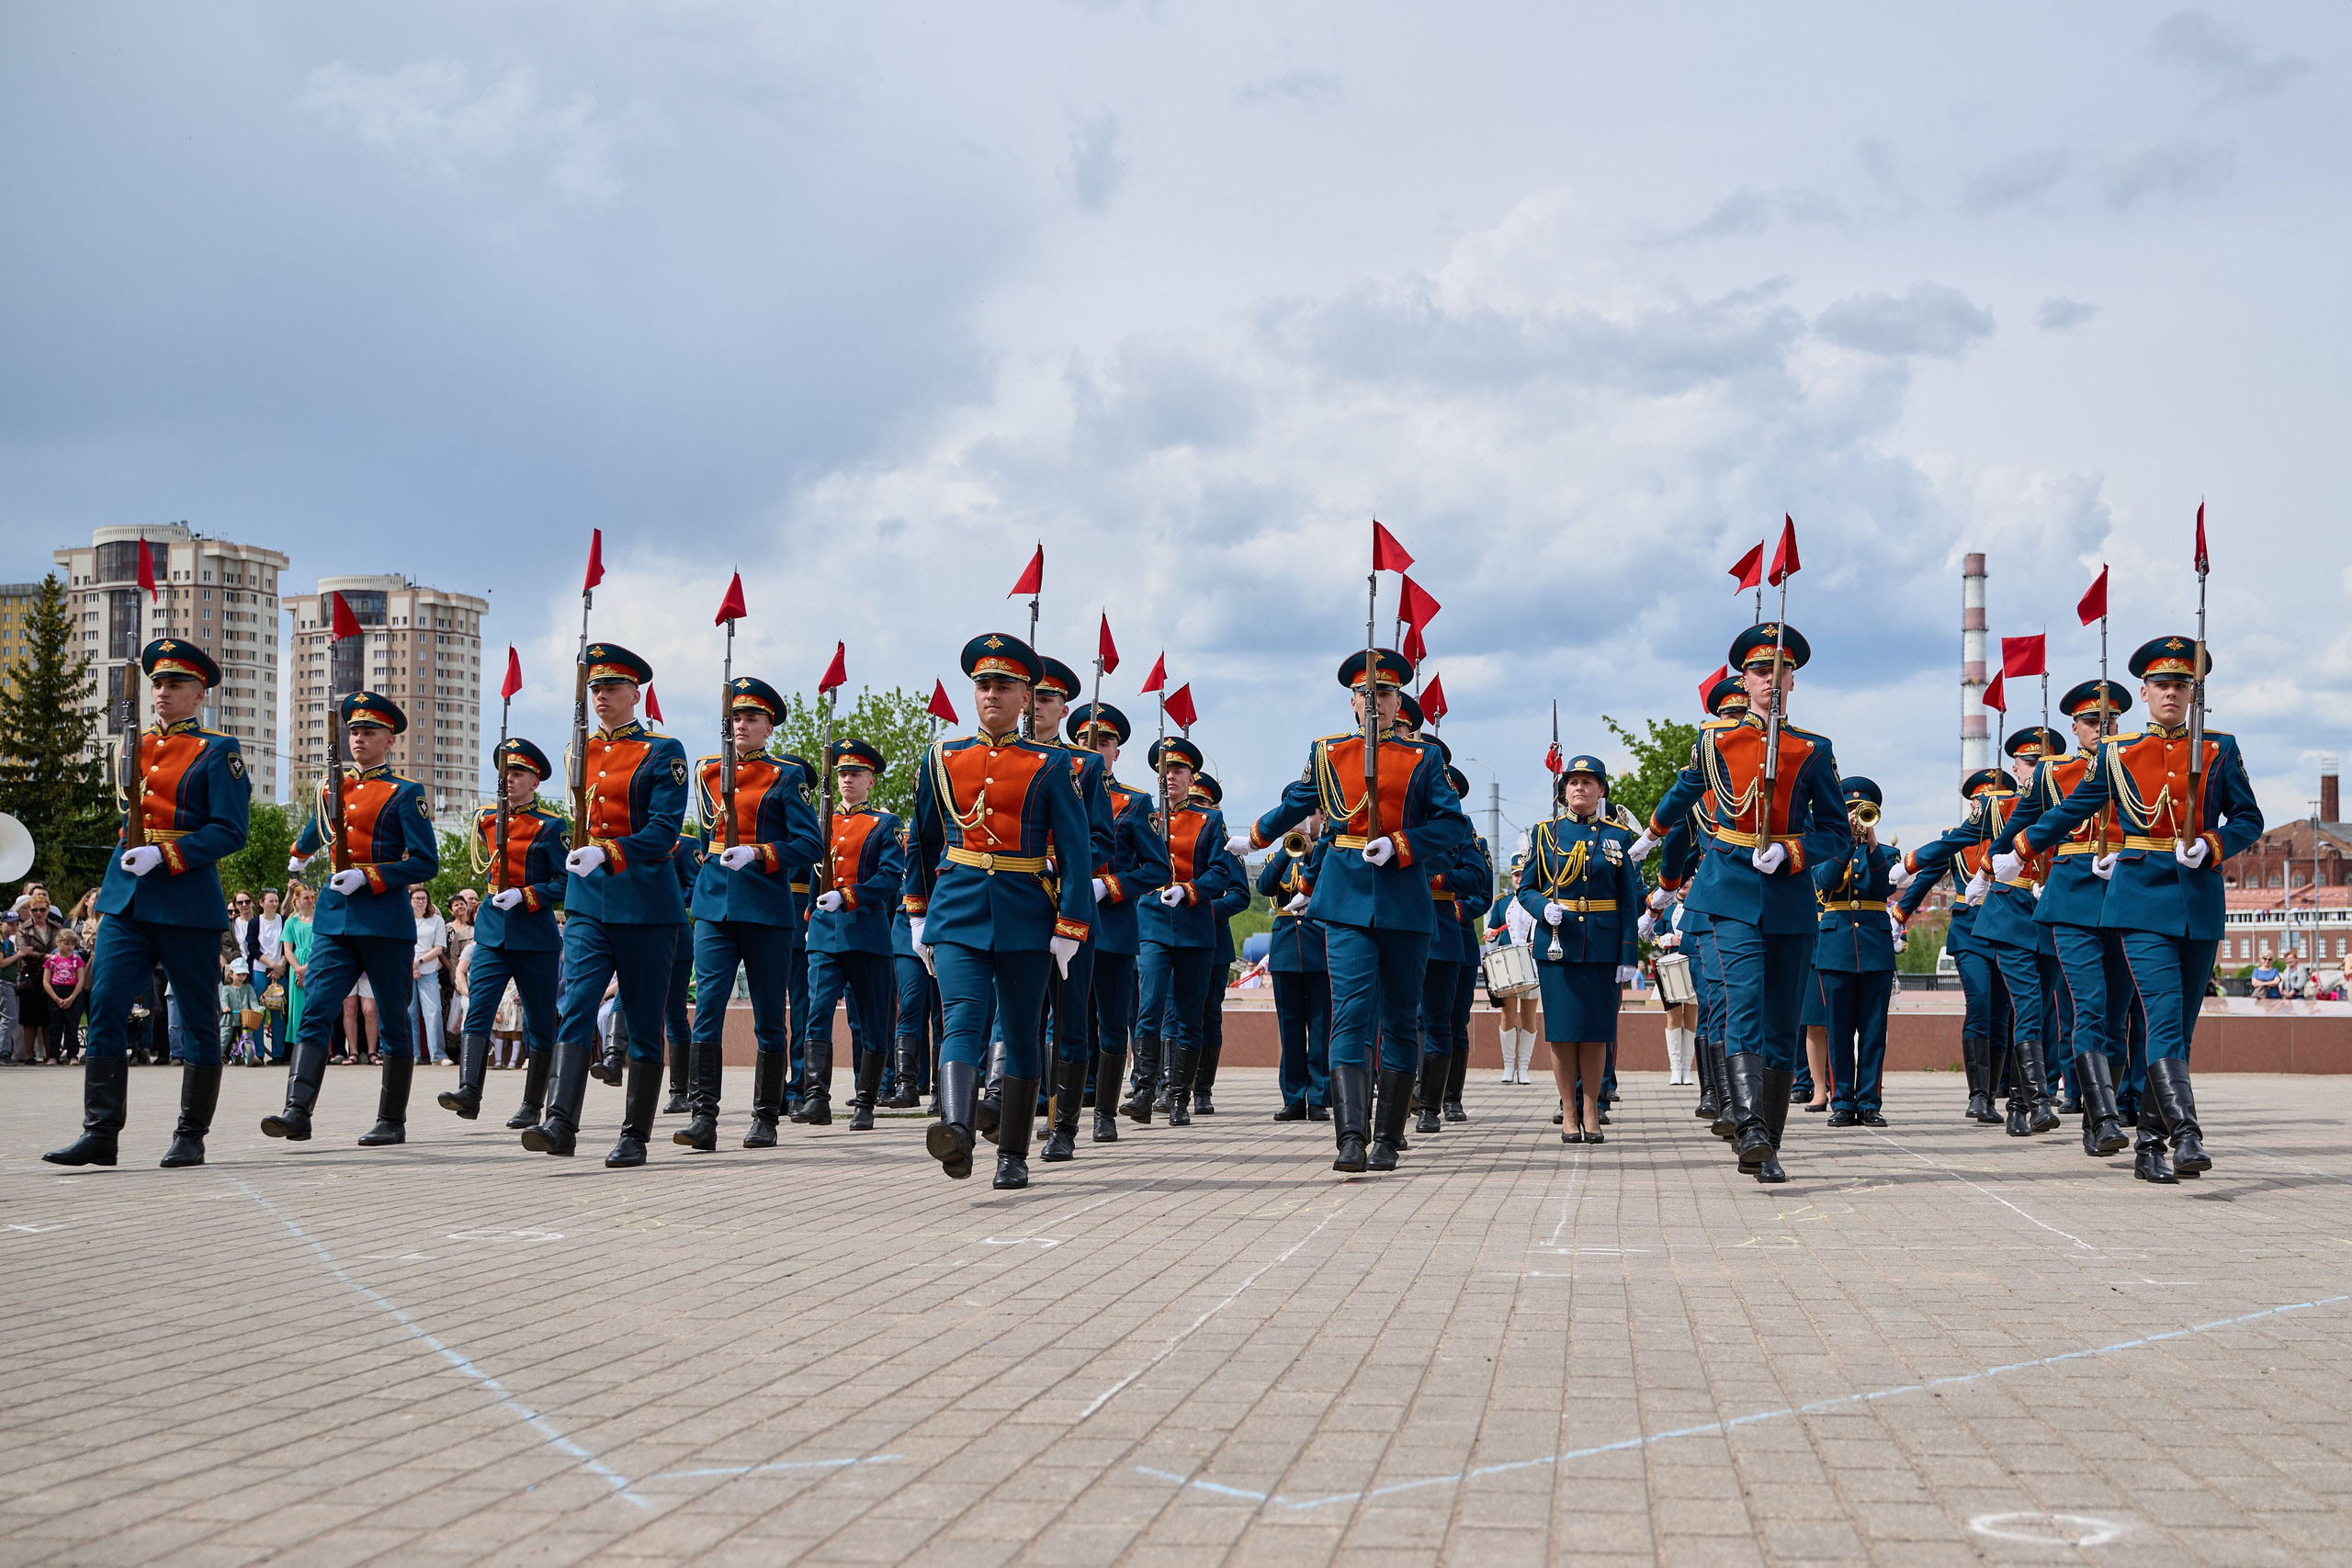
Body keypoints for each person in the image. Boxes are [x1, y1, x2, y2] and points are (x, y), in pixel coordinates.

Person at [2022, 634, 2262, 1185]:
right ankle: (2186, 1133)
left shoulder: (2219, 748)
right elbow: (2073, 809)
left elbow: (2249, 818)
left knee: (2180, 1025)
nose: (2171, 693)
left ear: (2193, 692)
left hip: (2198, 899)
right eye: (2161, 685)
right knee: (2161, 1011)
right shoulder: (2119, 752)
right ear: (2145, 692)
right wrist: (2018, 851)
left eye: (2181, 684)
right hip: (2138, 901)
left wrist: (2213, 844)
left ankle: (2150, 1143)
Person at [1237, 648, 1473, 1173]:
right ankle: (1350, 1135)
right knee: (1349, 1013)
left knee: (1399, 1019)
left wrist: (1401, 844)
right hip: (1344, 900)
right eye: (1366, 694)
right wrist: (1254, 838)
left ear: (1397, 701)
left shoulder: (1423, 759)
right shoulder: (1328, 753)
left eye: (1385, 693)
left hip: (1404, 900)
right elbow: (1297, 801)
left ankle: (1388, 1136)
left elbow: (1453, 826)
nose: (1375, 702)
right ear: (1352, 702)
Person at [1635, 624, 1849, 1185]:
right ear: (1744, 680)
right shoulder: (1717, 741)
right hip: (1728, 889)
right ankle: (1751, 1126)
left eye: (1781, 672)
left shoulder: (1812, 748)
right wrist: (1655, 832)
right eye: (1760, 672)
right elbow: (1687, 792)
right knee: (1746, 1005)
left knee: (1781, 1023)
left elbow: (1835, 832)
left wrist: (1792, 849)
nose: (1770, 681)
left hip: (1788, 895)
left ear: (1793, 681)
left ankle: (1769, 1144)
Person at [45, 639, 251, 1169]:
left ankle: (190, 1134)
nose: (162, 692)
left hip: (185, 900)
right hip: (127, 901)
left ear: (199, 693)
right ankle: (100, 1132)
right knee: (107, 1006)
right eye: (157, 683)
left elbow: (231, 831)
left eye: (175, 684)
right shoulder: (130, 747)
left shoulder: (217, 750)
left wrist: (168, 854)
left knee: (199, 1022)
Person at [902, 633, 1096, 1190]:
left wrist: (1071, 925)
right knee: (961, 1017)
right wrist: (917, 912)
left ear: (1025, 695)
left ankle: (1012, 1152)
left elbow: (1078, 854)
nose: (991, 694)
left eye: (1003, 685)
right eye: (983, 684)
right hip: (958, 907)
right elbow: (922, 839)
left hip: (1026, 911)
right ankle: (957, 1129)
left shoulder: (1054, 765)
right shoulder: (943, 757)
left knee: (1019, 1031)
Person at [522, 642, 688, 1166]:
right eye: (595, 688)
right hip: (589, 904)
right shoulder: (580, 751)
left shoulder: (664, 751)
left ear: (635, 693)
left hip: (644, 906)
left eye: (612, 687)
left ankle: (635, 1134)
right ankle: (560, 1122)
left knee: (641, 1021)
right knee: (575, 1008)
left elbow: (664, 832)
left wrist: (610, 851)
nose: (601, 697)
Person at [265, 691, 438, 1147]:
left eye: (369, 732)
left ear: (389, 740)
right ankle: (297, 1111)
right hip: (335, 922)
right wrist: (298, 855)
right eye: (354, 731)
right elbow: (318, 827)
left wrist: (370, 877)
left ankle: (391, 1120)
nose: (359, 738)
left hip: (383, 921)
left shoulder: (404, 793)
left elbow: (425, 863)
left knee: (394, 1023)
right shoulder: (330, 787)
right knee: (316, 1010)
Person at [1989, 678, 2137, 1157]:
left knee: (2116, 1016)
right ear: (2075, 727)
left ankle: (2099, 1117)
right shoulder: (2055, 773)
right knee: (2089, 1005)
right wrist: (2003, 858)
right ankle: (2104, 1117)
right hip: (2072, 896)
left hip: (2129, 893)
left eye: (2109, 719)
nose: (2101, 727)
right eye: (2092, 720)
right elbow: (2020, 822)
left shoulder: (2135, 761)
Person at [675, 676, 819, 1152]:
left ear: (769, 726)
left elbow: (809, 844)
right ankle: (703, 1116)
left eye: (752, 718)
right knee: (709, 1010)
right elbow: (702, 837)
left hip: (764, 908)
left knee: (767, 1019)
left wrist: (760, 854)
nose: (741, 725)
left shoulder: (785, 775)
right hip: (715, 904)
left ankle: (765, 1116)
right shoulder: (707, 770)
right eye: (735, 717)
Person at [1510, 756, 1642, 1145]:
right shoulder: (1544, 833)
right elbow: (1526, 887)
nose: (1579, 788)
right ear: (1563, 790)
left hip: (1602, 946)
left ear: (1602, 791)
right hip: (1558, 943)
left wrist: (1627, 954)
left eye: (1588, 781)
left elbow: (1628, 900)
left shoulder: (1618, 838)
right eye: (1573, 782)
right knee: (1564, 1033)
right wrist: (1540, 908)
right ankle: (1568, 1110)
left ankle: (1591, 1109)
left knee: (1596, 1033)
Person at [1017, 659, 1117, 1158]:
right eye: (1031, 696)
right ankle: (1010, 1110)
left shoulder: (1085, 765)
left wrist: (1057, 863)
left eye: (1048, 699)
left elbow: (1101, 840)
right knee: (1017, 1019)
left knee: (1071, 1020)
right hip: (1016, 906)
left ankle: (1064, 1126)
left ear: (1063, 708)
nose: (1037, 706)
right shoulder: (1006, 759)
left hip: (1069, 903)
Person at [441, 738, 567, 1125]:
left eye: (518, 774)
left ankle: (532, 1106)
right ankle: (469, 1092)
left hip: (534, 936)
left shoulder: (550, 826)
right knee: (477, 1011)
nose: (509, 780)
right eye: (505, 773)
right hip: (493, 934)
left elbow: (565, 883)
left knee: (538, 1022)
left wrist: (527, 896)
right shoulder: (486, 819)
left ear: (535, 781)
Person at [1067, 700, 1170, 1143]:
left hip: (1111, 927)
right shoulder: (1058, 788)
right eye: (1087, 741)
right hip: (1064, 920)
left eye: (1104, 742)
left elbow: (1157, 868)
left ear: (1116, 752)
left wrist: (1110, 886)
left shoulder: (1133, 801)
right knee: (1064, 1021)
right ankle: (1061, 1110)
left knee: (1111, 1021)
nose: (1095, 748)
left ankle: (1104, 1112)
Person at [1129, 736, 1239, 1128]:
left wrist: (1191, 890)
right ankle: (1143, 1090)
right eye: (1165, 770)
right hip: (1153, 923)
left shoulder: (1210, 820)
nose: (1170, 776)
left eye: (1177, 770)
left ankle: (1179, 1097)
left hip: (1194, 926)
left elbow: (1223, 872)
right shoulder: (1143, 816)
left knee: (1191, 1015)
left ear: (1191, 777)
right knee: (1150, 1006)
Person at [1897, 769, 2015, 1124]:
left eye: (1995, 801)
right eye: (1981, 801)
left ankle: (1993, 1094)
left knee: (2001, 1014)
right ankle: (1978, 1095)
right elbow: (1928, 876)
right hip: (1970, 932)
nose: (1987, 807)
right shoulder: (1957, 840)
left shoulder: (2018, 836)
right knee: (1980, 1004)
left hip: (2009, 929)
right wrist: (1901, 912)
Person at [804, 737, 906, 1133]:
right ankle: (816, 1098)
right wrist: (812, 911)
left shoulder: (885, 824)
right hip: (825, 936)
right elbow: (814, 874)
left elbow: (887, 880)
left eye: (856, 774)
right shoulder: (820, 822)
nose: (848, 780)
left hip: (866, 933)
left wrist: (847, 896)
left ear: (871, 781)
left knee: (871, 1021)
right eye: (843, 773)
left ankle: (866, 1101)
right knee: (817, 1014)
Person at [1811, 778, 1905, 1128]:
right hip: (1835, 948)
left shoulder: (1886, 854)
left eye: (1861, 810)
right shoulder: (1824, 848)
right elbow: (1826, 881)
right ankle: (1841, 1101)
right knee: (1837, 1030)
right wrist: (1845, 844)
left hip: (1875, 949)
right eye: (1850, 810)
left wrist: (1870, 843)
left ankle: (1869, 1102)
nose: (1855, 815)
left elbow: (1884, 886)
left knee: (1873, 1030)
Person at [1416, 757, 1492, 1134]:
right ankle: (1409, 1095)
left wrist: (1442, 883)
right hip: (1402, 924)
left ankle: (1442, 1100)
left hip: (1448, 931)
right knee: (1405, 1022)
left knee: (1446, 1021)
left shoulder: (1464, 831)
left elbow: (1481, 885)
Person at [1259, 816, 1331, 1121]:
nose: (1302, 822)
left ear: (1322, 819)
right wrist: (1284, 850)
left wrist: (1312, 849)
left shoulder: (1328, 853)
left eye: (1309, 815)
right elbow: (1264, 886)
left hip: (1319, 945)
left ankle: (1318, 1097)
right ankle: (1293, 1097)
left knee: (1320, 1028)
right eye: (1296, 816)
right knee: (1289, 1029)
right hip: (1287, 948)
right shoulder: (1277, 855)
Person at [408, 888, 448, 1066]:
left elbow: (438, 948)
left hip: (429, 970)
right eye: (417, 898)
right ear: (410, 900)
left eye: (424, 898)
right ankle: (413, 1055)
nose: (420, 902)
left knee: (433, 1012)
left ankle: (437, 1055)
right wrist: (411, 964)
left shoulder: (436, 921)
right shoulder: (404, 919)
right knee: (410, 1013)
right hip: (406, 971)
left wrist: (419, 962)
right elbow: (402, 944)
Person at [45, 929, 91, 1060]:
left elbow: (81, 980)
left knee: (72, 1026)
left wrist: (71, 998)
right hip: (56, 992)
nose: (69, 947)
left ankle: (72, 1055)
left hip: (73, 993)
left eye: (72, 944)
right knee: (55, 1026)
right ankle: (53, 1055)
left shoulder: (77, 960)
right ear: (58, 942)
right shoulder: (52, 960)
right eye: (66, 943)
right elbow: (46, 981)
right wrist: (55, 997)